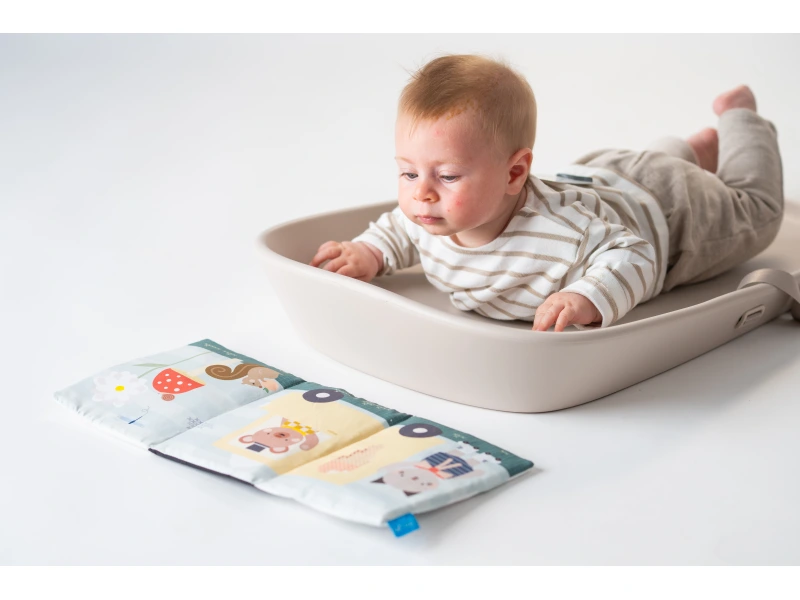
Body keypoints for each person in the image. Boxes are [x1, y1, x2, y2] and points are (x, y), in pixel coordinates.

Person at [309, 54, 784, 332]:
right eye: (408, 173)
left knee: (758, 212)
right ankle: (691, 151)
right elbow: (397, 229)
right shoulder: (430, 214)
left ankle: (740, 117)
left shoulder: (561, 232)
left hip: (671, 212)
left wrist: (589, 294)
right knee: (660, 165)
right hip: (603, 178)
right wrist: (368, 253)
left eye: (447, 176)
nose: (422, 195)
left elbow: (635, 253)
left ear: (515, 173)